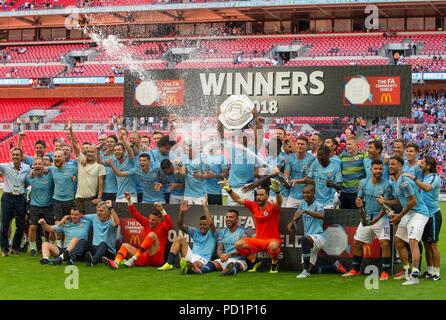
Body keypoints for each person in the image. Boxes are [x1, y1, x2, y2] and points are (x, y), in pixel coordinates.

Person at [378, 156, 430, 285]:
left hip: (419, 213)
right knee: (398, 241)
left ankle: (415, 275)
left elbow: (413, 201)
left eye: (393, 164)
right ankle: (406, 271)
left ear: (401, 166)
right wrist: (385, 201)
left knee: (413, 241)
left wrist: (400, 215)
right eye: (389, 165)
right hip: (408, 213)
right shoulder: (395, 181)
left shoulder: (404, 180)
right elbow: (399, 200)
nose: (390, 166)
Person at [342, 159, 393, 280]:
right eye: (376, 168)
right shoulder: (363, 183)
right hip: (367, 218)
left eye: (380, 169)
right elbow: (359, 199)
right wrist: (358, 203)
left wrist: (376, 220)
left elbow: (385, 207)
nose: (378, 171)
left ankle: (385, 272)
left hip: (381, 218)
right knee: (358, 243)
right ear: (370, 170)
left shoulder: (387, 185)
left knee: (385, 243)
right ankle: (355, 270)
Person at [220, 178, 282, 273]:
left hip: (272, 240)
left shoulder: (272, 207)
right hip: (257, 241)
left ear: (267, 196)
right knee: (238, 244)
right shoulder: (254, 206)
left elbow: (279, 202)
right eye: (257, 195)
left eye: (261, 195)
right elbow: (237, 199)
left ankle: (274, 263)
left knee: (274, 246)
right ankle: (254, 261)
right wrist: (228, 189)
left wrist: (277, 192)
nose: (258, 197)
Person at [103, 192, 173, 269]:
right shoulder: (147, 223)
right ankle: (116, 263)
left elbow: (170, 224)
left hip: (157, 260)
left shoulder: (163, 226)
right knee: (125, 245)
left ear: (159, 221)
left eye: (153, 220)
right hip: (145, 258)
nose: (150, 221)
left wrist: (162, 210)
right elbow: (135, 214)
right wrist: (129, 200)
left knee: (152, 234)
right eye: (150, 218)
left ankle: (133, 259)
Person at [404, 156, 442, 281]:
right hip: (424, 214)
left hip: (433, 214)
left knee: (433, 244)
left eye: (423, 162)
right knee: (426, 244)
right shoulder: (422, 175)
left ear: (429, 166)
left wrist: (413, 178)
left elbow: (427, 188)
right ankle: (430, 270)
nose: (421, 164)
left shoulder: (434, 177)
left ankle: (437, 272)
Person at [157, 200, 217, 275]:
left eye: (204, 224)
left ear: (208, 225)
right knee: (180, 238)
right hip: (192, 255)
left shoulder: (212, 233)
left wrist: (204, 206)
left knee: (196, 263)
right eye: (201, 224)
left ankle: (189, 267)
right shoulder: (196, 232)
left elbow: (211, 223)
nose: (202, 226)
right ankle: (169, 264)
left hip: (203, 259)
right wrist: (182, 212)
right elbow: (180, 225)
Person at [288, 183, 326, 279]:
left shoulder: (318, 204)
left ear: (313, 193)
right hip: (309, 240)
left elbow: (322, 216)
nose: (305, 195)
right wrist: (292, 223)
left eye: (308, 193)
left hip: (319, 237)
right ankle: (334, 266)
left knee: (304, 239)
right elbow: (297, 215)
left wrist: (306, 211)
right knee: (309, 267)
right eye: (304, 193)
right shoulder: (302, 204)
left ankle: (305, 271)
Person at [66, 122, 105, 213]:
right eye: (88, 151)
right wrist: (71, 131)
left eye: (92, 152)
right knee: (78, 222)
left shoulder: (100, 165)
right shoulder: (81, 160)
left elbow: (101, 182)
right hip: (78, 198)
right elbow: (75, 145)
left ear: (96, 152)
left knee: (89, 222)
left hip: (91, 198)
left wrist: (99, 197)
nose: (89, 153)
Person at [0, 148, 30, 256]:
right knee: (4, 224)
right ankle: (4, 248)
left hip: (20, 198)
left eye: (17, 155)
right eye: (13, 154)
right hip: (7, 197)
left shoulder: (27, 168)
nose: (15, 156)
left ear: (21, 157)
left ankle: (15, 248)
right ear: (11, 156)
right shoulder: (5, 166)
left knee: (20, 225)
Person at [199, 209, 248, 276]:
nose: (228, 219)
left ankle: (230, 270)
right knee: (211, 263)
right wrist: (221, 256)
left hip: (239, 260)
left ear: (237, 219)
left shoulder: (242, 232)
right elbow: (219, 248)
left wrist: (230, 255)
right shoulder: (222, 232)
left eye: (231, 217)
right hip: (225, 259)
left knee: (237, 265)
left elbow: (244, 251)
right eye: (227, 217)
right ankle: (198, 271)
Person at [46, 150, 77, 248]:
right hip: (57, 201)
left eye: (59, 156)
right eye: (55, 157)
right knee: (58, 225)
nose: (57, 158)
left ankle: (68, 246)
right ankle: (59, 246)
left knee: (69, 224)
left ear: (64, 158)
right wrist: (33, 171)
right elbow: (39, 168)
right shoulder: (52, 168)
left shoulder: (73, 169)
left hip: (70, 200)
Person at [25, 157, 54, 256]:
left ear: (43, 165)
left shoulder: (50, 176)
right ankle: (33, 248)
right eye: (35, 164)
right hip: (34, 206)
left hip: (48, 206)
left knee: (51, 228)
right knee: (32, 227)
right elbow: (23, 185)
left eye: (39, 164)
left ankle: (51, 246)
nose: (37, 165)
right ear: (33, 166)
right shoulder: (29, 177)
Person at [83, 201, 120, 267]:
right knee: (83, 241)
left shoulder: (111, 221)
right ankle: (71, 257)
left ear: (107, 212)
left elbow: (116, 223)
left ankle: (93, 261)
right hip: (95, 249)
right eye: (97, 211)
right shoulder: (94, 217)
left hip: (109, 251)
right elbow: (80, 216)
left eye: (101, 211)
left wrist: (111, 208)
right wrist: (66, 217)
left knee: (103, 244)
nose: (98, 213)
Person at [284, 136, 315, 208]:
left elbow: (309, 178)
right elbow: (286, 175)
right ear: (295, 144)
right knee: (289, 217)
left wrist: (296, 181)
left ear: (307, 146)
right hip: (292, 196)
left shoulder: (311, 159)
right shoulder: (290, 158)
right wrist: (285, 179)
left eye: (302, 144)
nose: (300, 146)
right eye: (298, 143)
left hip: (306, 197)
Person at [339, 136, 366, 209]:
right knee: (343, 215)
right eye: (347, 144)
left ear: (356, 145)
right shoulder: (342, 157)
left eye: (350, 144)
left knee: (356, 216)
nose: (348, 146)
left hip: (356, 192)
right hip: (344, 192)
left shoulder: (362, 156)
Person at [99, 135, 118, 201]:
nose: (109, 143)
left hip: (115, 191)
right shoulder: (103, 156)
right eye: (108, 142)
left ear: (116, 144)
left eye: (111, 142)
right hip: (104, 191)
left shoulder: (117, 157)